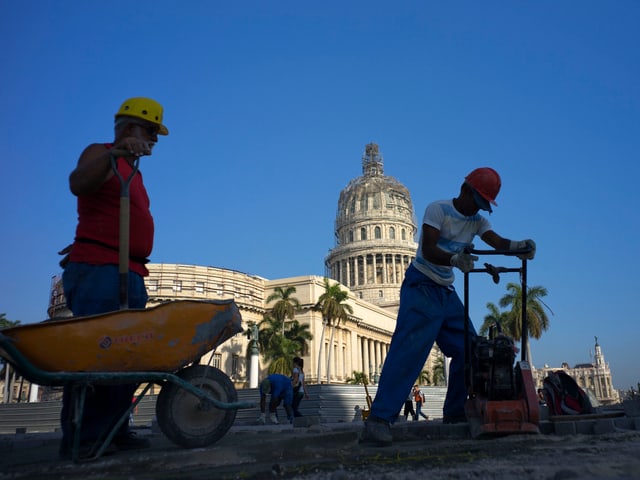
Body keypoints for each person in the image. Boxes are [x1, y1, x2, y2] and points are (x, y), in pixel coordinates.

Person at [360, 167, 535, 446]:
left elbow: (497, 241)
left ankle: (454, 412)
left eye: (483, 206)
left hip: (445, 291)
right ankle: (379, 420)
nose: (477, 211)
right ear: (465, 190)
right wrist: (454, 260)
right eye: (477, 203)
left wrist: (519, 246)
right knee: (409, 351)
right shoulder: (437, 210)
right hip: (421, 285)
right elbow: (428, 249)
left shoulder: (476, 221)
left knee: (470, 347)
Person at [58, 97, 169, 459]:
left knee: (129, 355)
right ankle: (84, 437)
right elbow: (78, 183)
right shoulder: (101, 153)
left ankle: (114, 429)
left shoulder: (133, 172)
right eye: (150, 131)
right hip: (103, 272)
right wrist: (114, 153)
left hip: (129, 270)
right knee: (99, 354)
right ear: (128, 127)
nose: (153, 140)